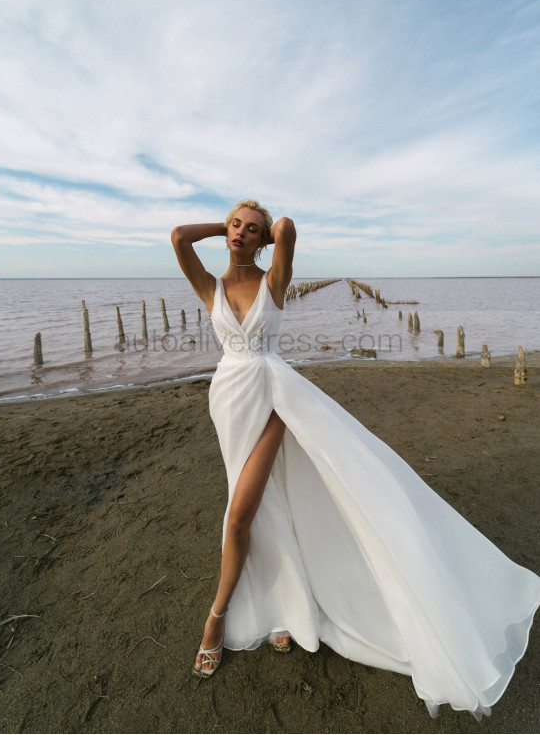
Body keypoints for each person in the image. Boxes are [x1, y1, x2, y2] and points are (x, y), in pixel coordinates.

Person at [171, 200, 540, 719]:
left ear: (262, 241)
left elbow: (287, 228)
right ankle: (281, 609)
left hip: (274, 398)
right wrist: (224, 228)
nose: (240, 234)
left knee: (237, 518)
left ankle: (215, 618)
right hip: (228, 401)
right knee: (266, 507)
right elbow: (178, 237)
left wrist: (265, 233)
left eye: (250, 230)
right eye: (235, 226)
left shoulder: (274, 281)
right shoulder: (209, 286)